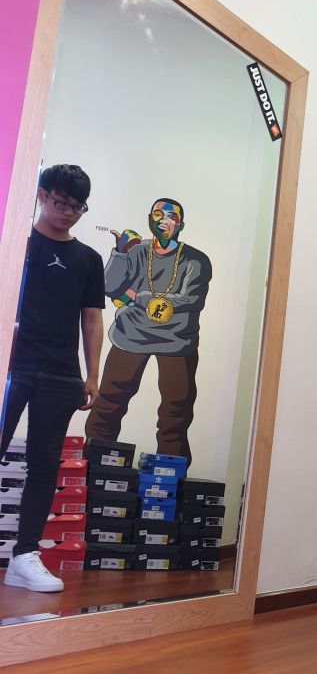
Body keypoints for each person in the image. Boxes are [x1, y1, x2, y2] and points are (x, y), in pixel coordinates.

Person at [0, 164, 104, 593]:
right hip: (12, 367)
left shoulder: (89, 259)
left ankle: (24, 557)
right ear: (42, 195)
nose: (68, 213)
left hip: (62, 374)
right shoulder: (15, 242)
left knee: (44, 467)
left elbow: (92, 320)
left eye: (78, 207)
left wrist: (93, 375)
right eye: (62, 203)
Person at [85, 199, 211, 466]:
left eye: (171, 216)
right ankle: (95, 468)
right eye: (157, 214)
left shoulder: (197, 260)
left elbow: (191, 300)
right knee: (108, 403)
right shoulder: (134, 251)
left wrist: (135, 297)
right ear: (149, 219)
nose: (163, 220)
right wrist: (120, 253)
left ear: (181, 225)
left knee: (176, 411)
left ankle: (170, 477)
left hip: (178, 341)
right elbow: (109, 287)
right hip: (130, 335)